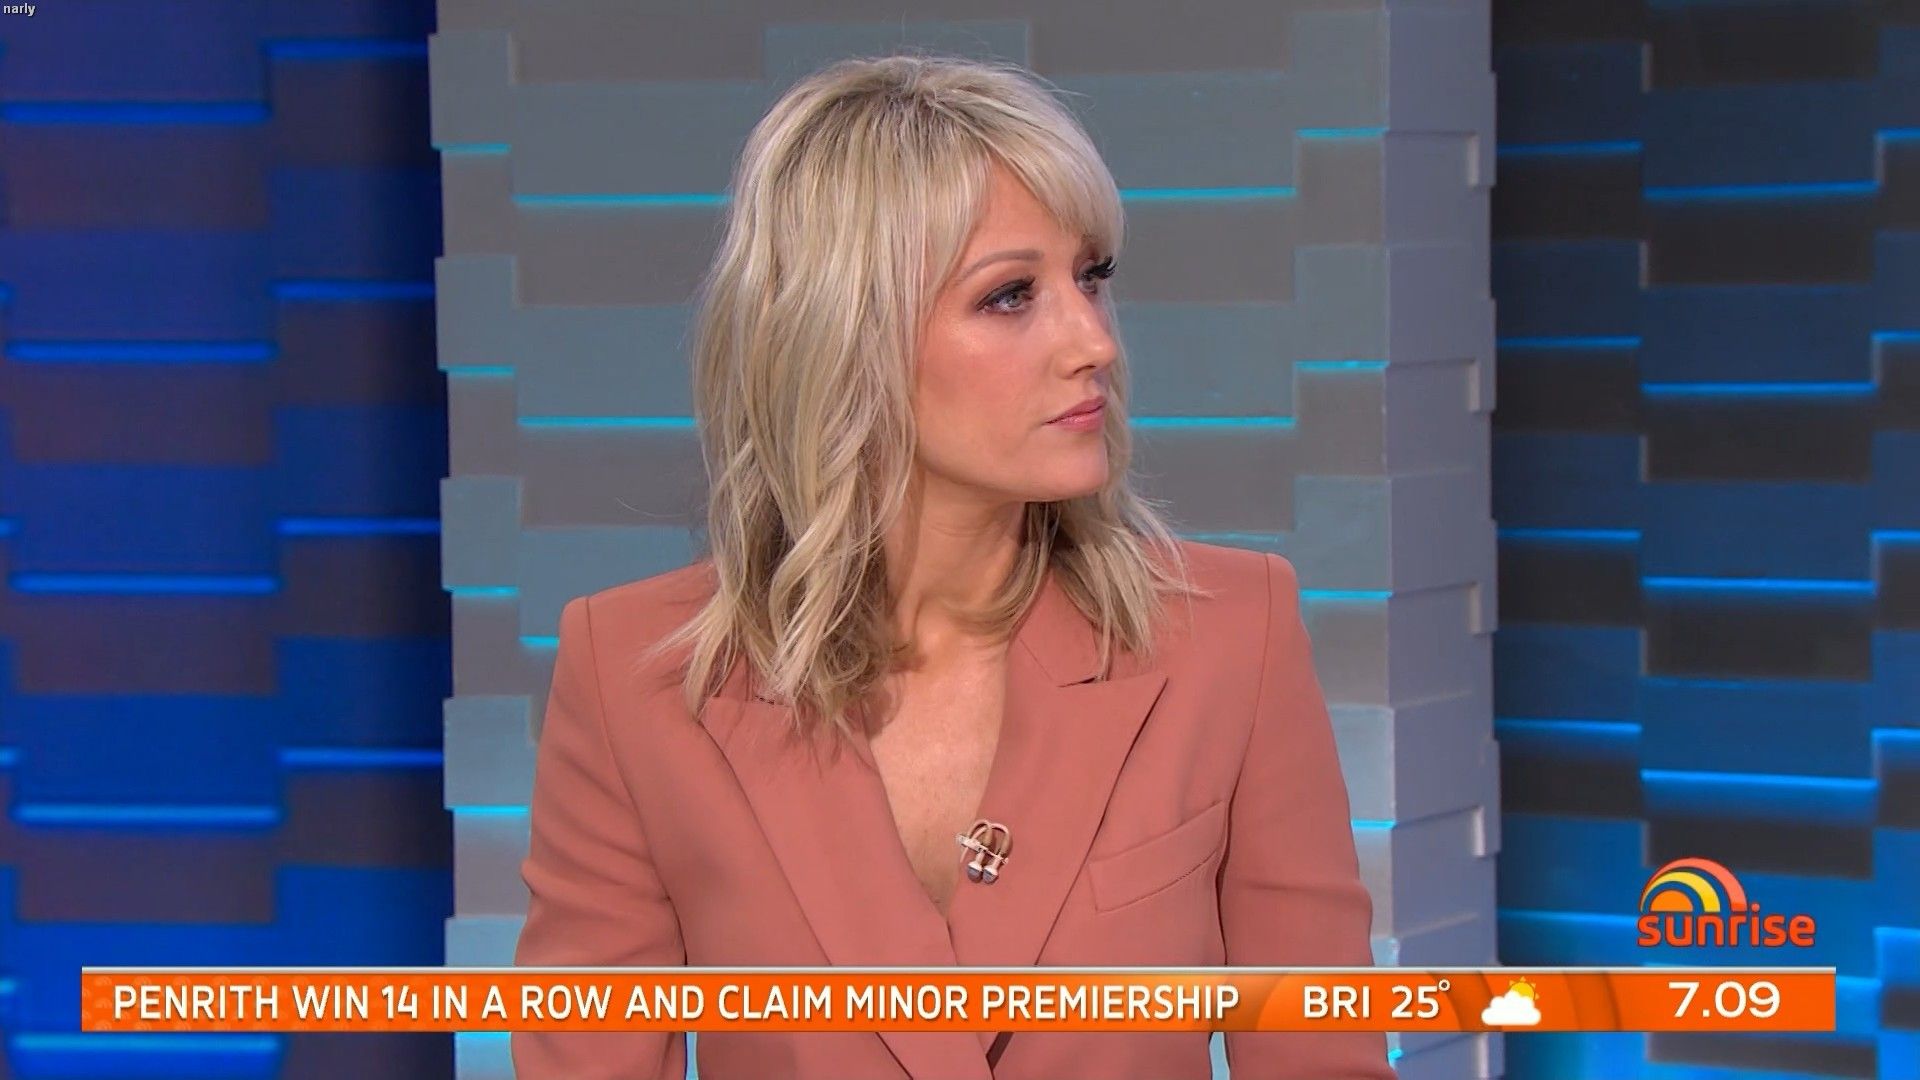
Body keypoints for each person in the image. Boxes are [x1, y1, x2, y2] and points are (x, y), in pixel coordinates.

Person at [511, 51, 1391, 1080]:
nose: (1094, 343)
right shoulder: (635, 677)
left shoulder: (1232, 635)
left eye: (1091, 279)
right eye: (1011, 295)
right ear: (845, 335)